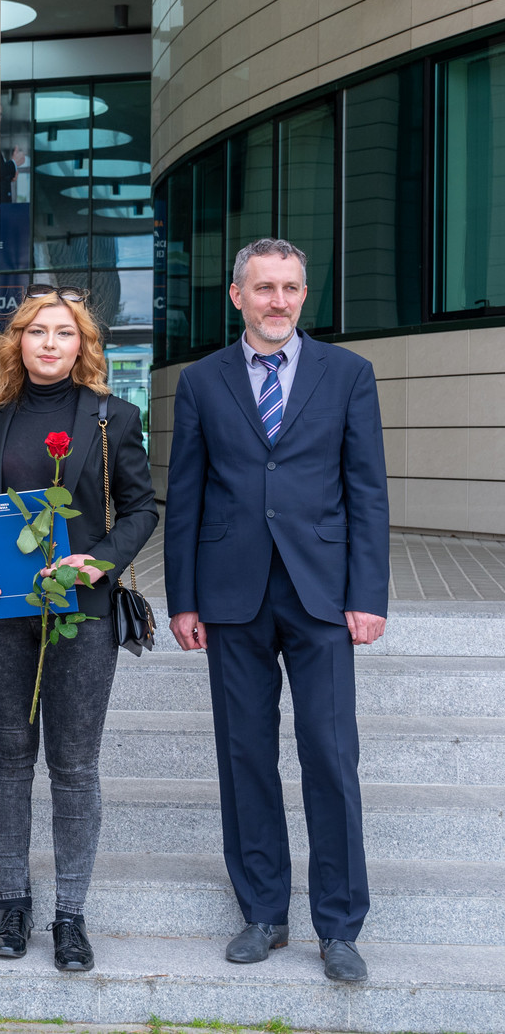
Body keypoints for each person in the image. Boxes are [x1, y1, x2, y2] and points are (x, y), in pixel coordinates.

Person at [164, 238, 389, 984]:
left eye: (291, 287)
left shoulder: (347, 374)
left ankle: (339, 926)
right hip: (232, 595)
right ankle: (263, 912)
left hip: (322, 593)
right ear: (238, 296)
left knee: (330, 753)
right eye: (264, 288)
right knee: (246, 755)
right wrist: (183, 599)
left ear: (303, 294)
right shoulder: (201, 381)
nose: (279, 301)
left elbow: (367, 490)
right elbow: (186, 496)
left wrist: (368, 595)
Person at [0, 285, 158, 972]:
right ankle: (13, 904)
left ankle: (70, 914)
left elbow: (141, 508)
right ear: (17, 341)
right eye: (36, 330)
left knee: (73, 766)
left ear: (82, 345)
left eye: (64, 332)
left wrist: (98, 563)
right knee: (8, 760)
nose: (49, 342)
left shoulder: (113, 418)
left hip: (82, 613)